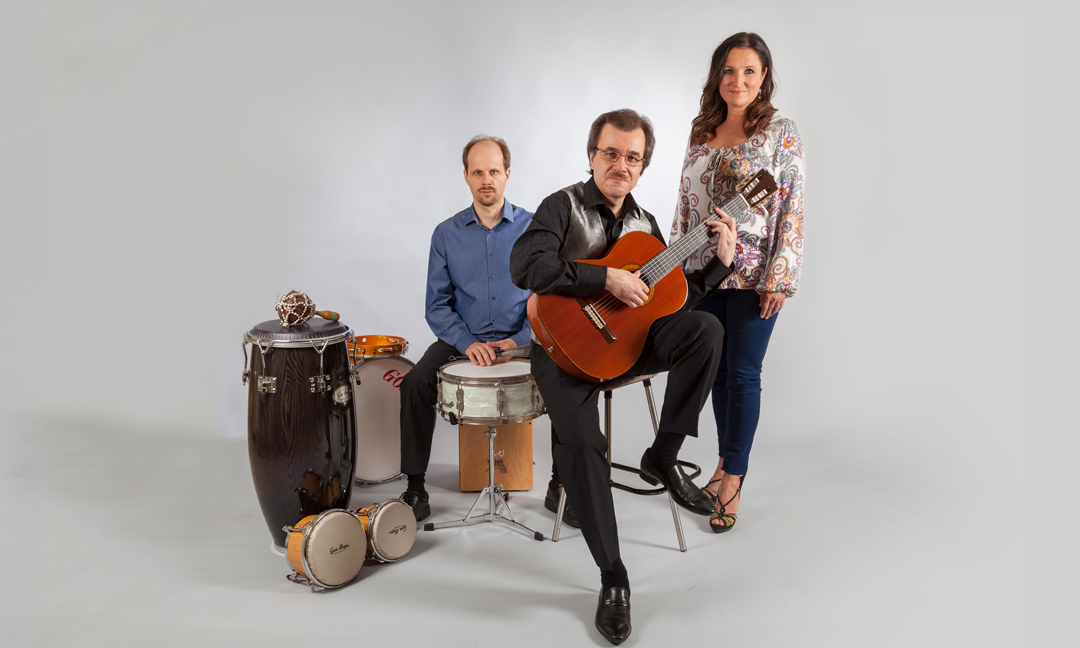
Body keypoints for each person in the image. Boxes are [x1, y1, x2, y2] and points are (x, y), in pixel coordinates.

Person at [510, 109, 737, 645]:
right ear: (592, 155)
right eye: (611, 153)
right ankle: (614, 576)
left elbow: (668, 302)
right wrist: (604, 277)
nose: (621, 165)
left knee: (705, 329)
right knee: (585, 442)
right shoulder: (562, 205)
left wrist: (720, 265)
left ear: (642, 166)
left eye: (632, 157)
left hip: (627, 347)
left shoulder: (646, 225)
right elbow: (526, 267)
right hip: (564, 349)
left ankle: (663, 455)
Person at [669, 32, 805, 534]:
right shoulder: (701, 129)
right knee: (718, 375)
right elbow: (685, 206)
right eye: (729, 70)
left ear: (764, 76)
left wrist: (779, 277)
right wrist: (674, 270)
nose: (738, 80)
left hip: (753, 275)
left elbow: (790, 206)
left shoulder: (780, 132)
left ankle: (733, 479)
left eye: (749, 71)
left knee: (744, 374)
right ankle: (723, 464)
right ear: (717, 76)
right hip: (703, 274)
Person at [398, 135, 533, 522]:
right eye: (478, 172)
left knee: (568, 379)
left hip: (523, 338)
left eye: (494, 171)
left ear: (507, 174)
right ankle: (415, 488)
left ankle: (562, 484)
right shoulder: (446, 234)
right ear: (466, 176)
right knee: (414, 384)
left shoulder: (535, 229)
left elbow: (549, 298)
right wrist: (467, 342)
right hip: (463, 340)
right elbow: (436, 305)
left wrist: (519, 339)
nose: (486, 179)